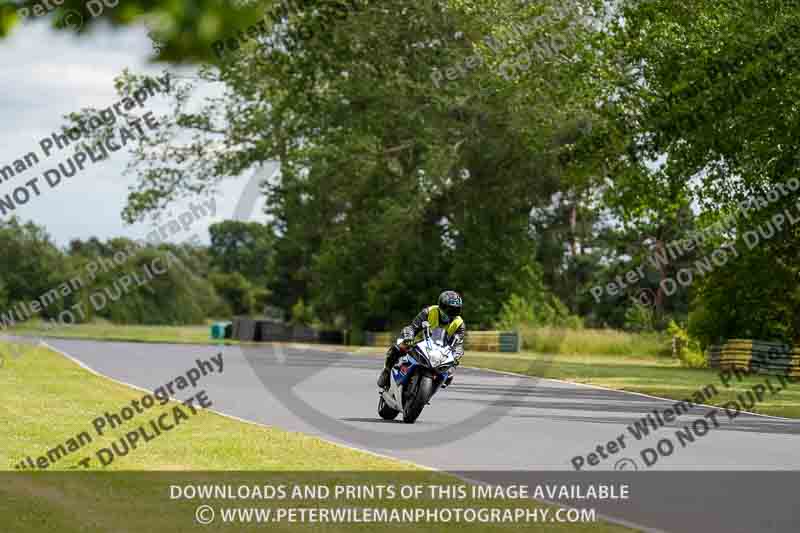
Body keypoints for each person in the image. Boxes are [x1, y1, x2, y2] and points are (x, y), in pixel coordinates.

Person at [377, 290, 465, 389]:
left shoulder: (459, 324)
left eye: (455, 310)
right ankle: (386, 372)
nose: (450, 313)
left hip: (439, 351)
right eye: (447, 309)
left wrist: (455, 359)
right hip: (417, 342)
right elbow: (412, 327)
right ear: (440, 305)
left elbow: (459, 344)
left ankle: (430, 389)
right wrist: (409, 337)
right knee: (399, 348)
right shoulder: (429, 312)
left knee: (449, 373)